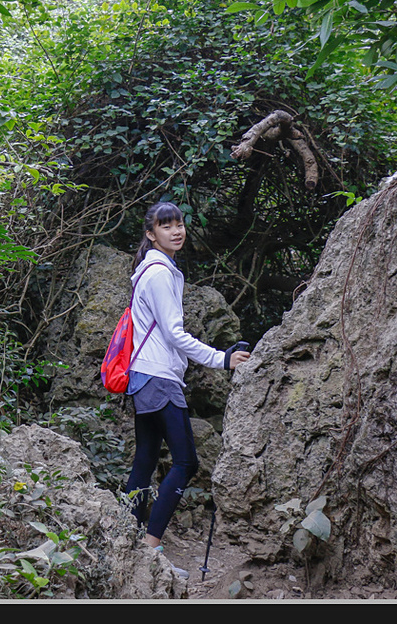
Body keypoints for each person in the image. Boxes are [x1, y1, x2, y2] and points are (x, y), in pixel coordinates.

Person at [124, 201, 250, 557]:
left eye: (179, 223)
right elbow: (174, 334)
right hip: (159, 378)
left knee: (146, 459)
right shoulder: (161, 273)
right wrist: (222, 360)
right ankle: (150, 547)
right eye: (166, 226)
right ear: (151, 234)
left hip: (144, 375)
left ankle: (130, 539)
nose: (176, 231)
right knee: (186, 462)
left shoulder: (155, 270)